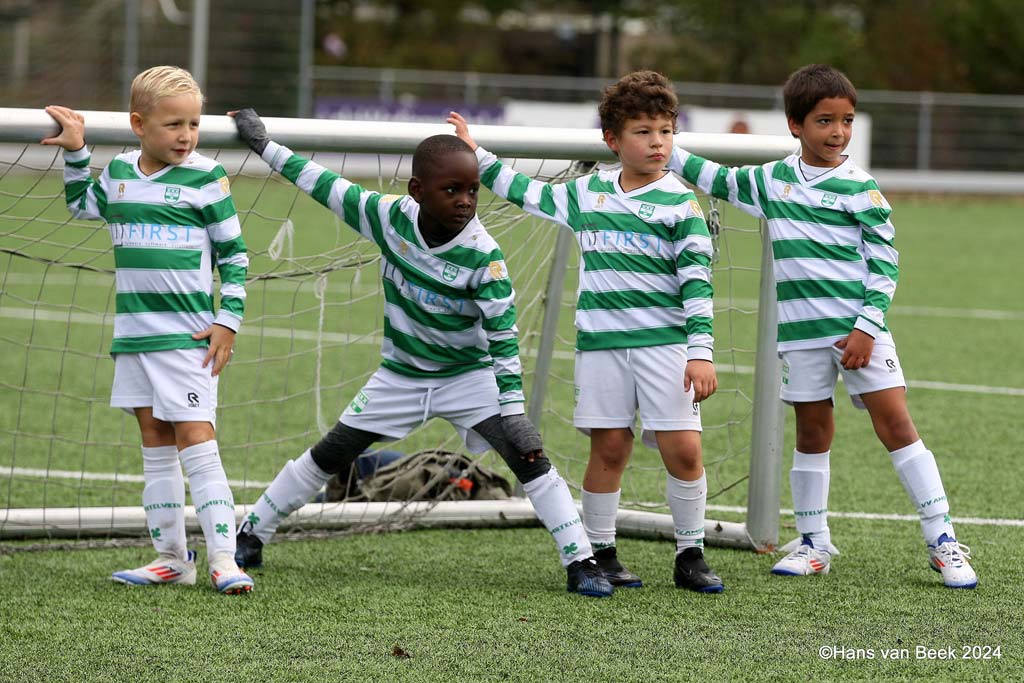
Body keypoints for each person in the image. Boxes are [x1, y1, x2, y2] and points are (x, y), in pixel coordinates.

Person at [229, 109, 613, 598]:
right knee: (331, 452)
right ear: (416, 191)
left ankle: (581, 561)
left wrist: (513, 412)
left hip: (468, 377)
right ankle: (252, 534)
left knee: (528, 455)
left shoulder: (485, 256)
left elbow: (502, 336)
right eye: (451, 190)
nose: (465, 201)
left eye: (472, 190)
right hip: (401, 375)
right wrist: (264, 145)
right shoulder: (387, 217)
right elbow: (320, 181)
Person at [666, 63, 977, 589]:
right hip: (800, 336)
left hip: (859, 333)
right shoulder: (772, 180)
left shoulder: (861, 187)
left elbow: (886, 264)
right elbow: (713, 176)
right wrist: (658, 137)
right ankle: (814, 543)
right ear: (795, 124)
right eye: (825, 120)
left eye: (847, 120)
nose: (838, 132)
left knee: (897, 425)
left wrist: (866, 327)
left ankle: (942, 539)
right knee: (812, 434)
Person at [449, 69, 725, 593]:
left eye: (666, 131)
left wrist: (701, 353)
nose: (657, 143)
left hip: (666, 349)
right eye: (644, 132)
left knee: (683, 450)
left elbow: (697, 286)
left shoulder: (681, 204)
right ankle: (602, 552)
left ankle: (690, 554)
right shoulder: (587, 192)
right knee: (610, 448)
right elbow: (525, 192)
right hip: (600, 347)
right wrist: (477, 155)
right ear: (612, 140)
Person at [42, 66, 254, 594]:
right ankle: (171, 559)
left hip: (188, 339)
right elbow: (81, 205)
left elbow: (236, 256)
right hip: (135, 337)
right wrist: (75, 152)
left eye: (193, 124)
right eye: (172, 125)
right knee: (154, 444)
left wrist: (227, 322)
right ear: (139, 124)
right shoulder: (116, 172)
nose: (185, 136)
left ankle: (225, 560)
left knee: (196, 441)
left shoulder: (207, 178)